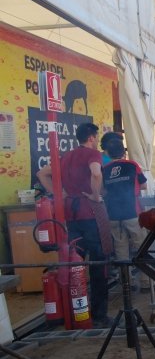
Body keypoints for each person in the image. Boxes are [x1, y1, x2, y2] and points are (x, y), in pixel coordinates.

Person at [37, 123, 113, 328]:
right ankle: (99, 315)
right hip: (90, 214)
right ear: (91, 137)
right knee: (99, 265)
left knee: (74, 265)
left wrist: (59, 194)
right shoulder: (92, 154)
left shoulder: (66, 157)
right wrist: (96, 196)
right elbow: (96, 173)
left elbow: (41, 174)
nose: (97, 140)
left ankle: (75, 313)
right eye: (96, 137)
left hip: (71, 217)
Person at [101, 138, 150, 291]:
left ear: (107, 152)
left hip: (113, 215)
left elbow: (103, 191)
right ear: (123, 151)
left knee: (121, 251)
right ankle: (146, 282)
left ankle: (127, 284)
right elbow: (143, 185)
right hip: (132, 213)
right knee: (141, 247)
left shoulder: (105, 168)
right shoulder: (132, 165)